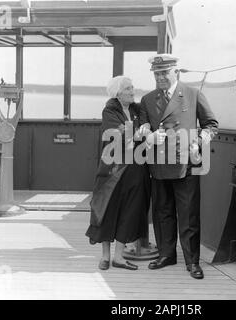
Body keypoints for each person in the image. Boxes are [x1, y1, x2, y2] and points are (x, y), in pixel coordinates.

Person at [139, 54, 218, 279]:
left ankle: (192, 262)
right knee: (162, 212)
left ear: (177, 72)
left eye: (164, 72)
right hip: (159, 164)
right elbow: (144, 127)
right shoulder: (147, 100)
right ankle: (166, 254)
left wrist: (198, 142)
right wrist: (149, 134)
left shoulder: (193, 94)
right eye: (156, 73)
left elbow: (211, 125)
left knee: (188, 214)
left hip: (187, 164)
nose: (160, 77)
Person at [86, 76, 151, 271]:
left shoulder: (136, 109)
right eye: (128, 89)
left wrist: (145, 127)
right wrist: (140, 131)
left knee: (129, 211)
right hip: (113, 170)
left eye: (132, 87)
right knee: (107, 209)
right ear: (117, 93)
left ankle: (118, 257)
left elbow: (145, 123)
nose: (133, 91)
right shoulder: (110, 110)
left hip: (135, 168)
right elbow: (117, 134)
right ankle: (105, 256)